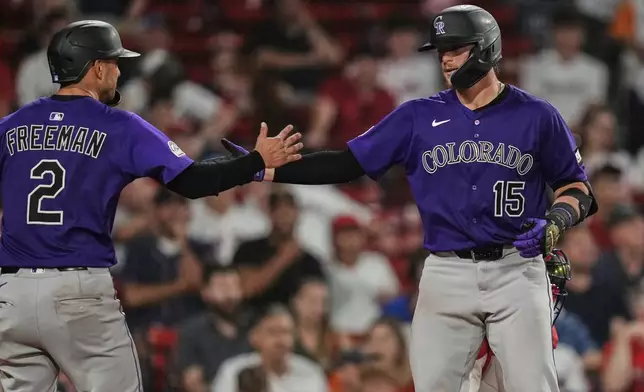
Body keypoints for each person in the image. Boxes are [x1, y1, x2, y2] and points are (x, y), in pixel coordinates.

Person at [222, 5, 598, 391]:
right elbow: (343, 165)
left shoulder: (536, 115)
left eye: (456, 48)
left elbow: (577, 188)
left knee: (533, 386)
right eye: (441, 52)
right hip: (446, 270)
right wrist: (264, 168)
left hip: (516, 268)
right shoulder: (417, 116)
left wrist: (555, 224)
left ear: (486, 49)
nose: (446, 60)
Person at [0, 20, 302, 392]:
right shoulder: (118, 126)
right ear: (96, 68)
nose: (118, 71)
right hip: (76, 290)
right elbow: (193, 181)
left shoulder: (11, 125)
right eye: (113, 63)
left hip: (11, 291)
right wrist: (256, 160)